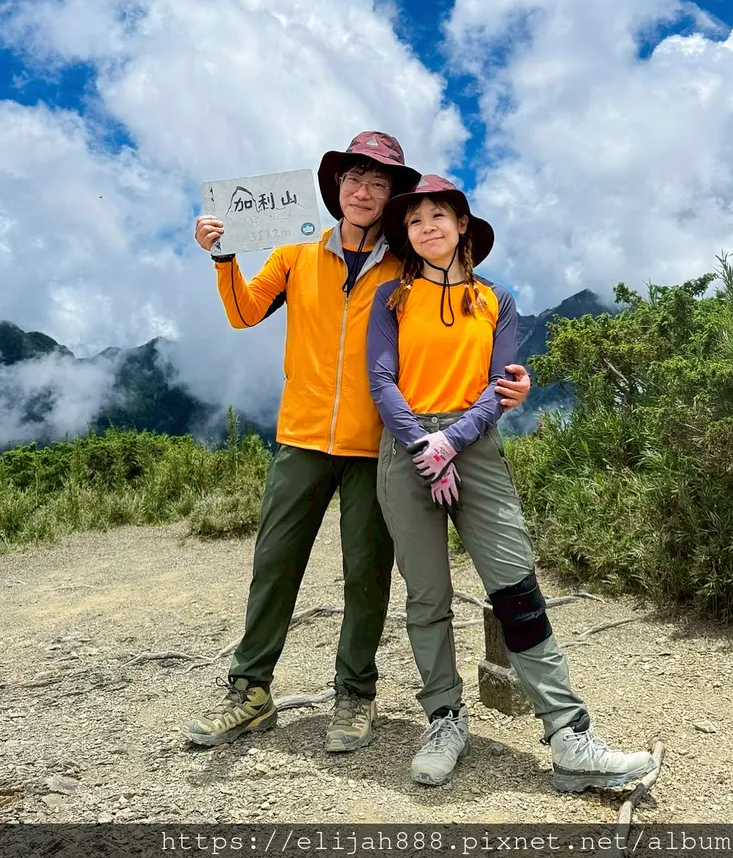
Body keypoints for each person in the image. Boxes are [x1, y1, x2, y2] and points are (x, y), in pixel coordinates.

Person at [183, 137, 532, 753]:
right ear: (336, 186)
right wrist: (222, 257)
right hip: (301, 437)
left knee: (365, 575)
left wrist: (507, 380)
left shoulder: (405, 267)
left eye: (378, 182)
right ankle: (250, 691)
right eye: (354, 178)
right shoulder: (297, 249)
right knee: (274, 567)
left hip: (376, 445)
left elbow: (456, 325)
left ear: (393, 195)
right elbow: (243, 313)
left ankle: (355, 695)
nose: (364, 191)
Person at [367, 175, 656, 791]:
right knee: (427, 595)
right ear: (407, 235)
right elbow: (382, 382)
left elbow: (502, 387)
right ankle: (444, 718)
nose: (428, 228)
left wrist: (452, 442)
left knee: (516, 588)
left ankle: (568, 737)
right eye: (415, 221)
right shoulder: (390, 298)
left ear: (463, 224)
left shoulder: (496, 300)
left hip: (471, 448)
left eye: (439, 215)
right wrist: (425, 444)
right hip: (407, 449)